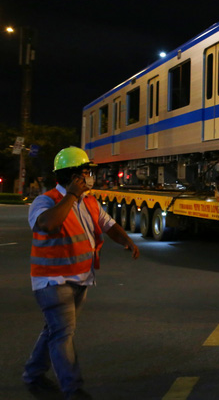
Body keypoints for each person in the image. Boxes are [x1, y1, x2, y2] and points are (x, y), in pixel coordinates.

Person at [23, 146, 140, 400]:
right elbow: (47, 224)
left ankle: (33, 373)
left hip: (80, 279)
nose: (90, 177)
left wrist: (127, 240)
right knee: (63, 333)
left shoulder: (90, 202)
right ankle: (72, 389)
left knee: (53, 330)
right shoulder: (46, 200)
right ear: (74, 176)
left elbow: (108, 225)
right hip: (53, 281)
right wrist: (71, 196)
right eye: (86, 172)